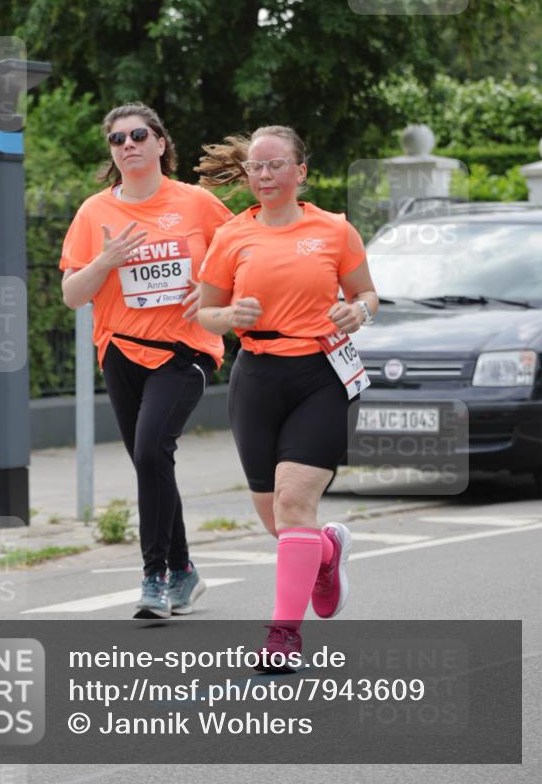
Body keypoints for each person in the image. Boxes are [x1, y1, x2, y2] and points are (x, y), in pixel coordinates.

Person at [196, 126, 378, 666]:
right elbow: (206, 312)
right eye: (256, 166)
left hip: (322, 374)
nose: (265, 175)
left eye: (276, 165)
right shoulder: (231, 236)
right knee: (276, 519)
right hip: (256, 377)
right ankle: (325, 551)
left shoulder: (334, 230)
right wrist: (229, 317)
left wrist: (359, 311)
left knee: (295, 503)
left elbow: (367, 293)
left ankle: (283, 637)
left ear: (301, 171)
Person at [60, 103, 232, 619]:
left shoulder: (196, 203)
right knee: (149, 460)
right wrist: (105, 261)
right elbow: (72, 294)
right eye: (117, 139)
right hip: (120, 351)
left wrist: (208, 288)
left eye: (138, 134)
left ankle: (155, 576)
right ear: (111, 152)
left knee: (153, 450)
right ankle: (184, 571)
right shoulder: (95, 212)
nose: (128, 144)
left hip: (186, 351)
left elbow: (244, 255)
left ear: (161, 143)